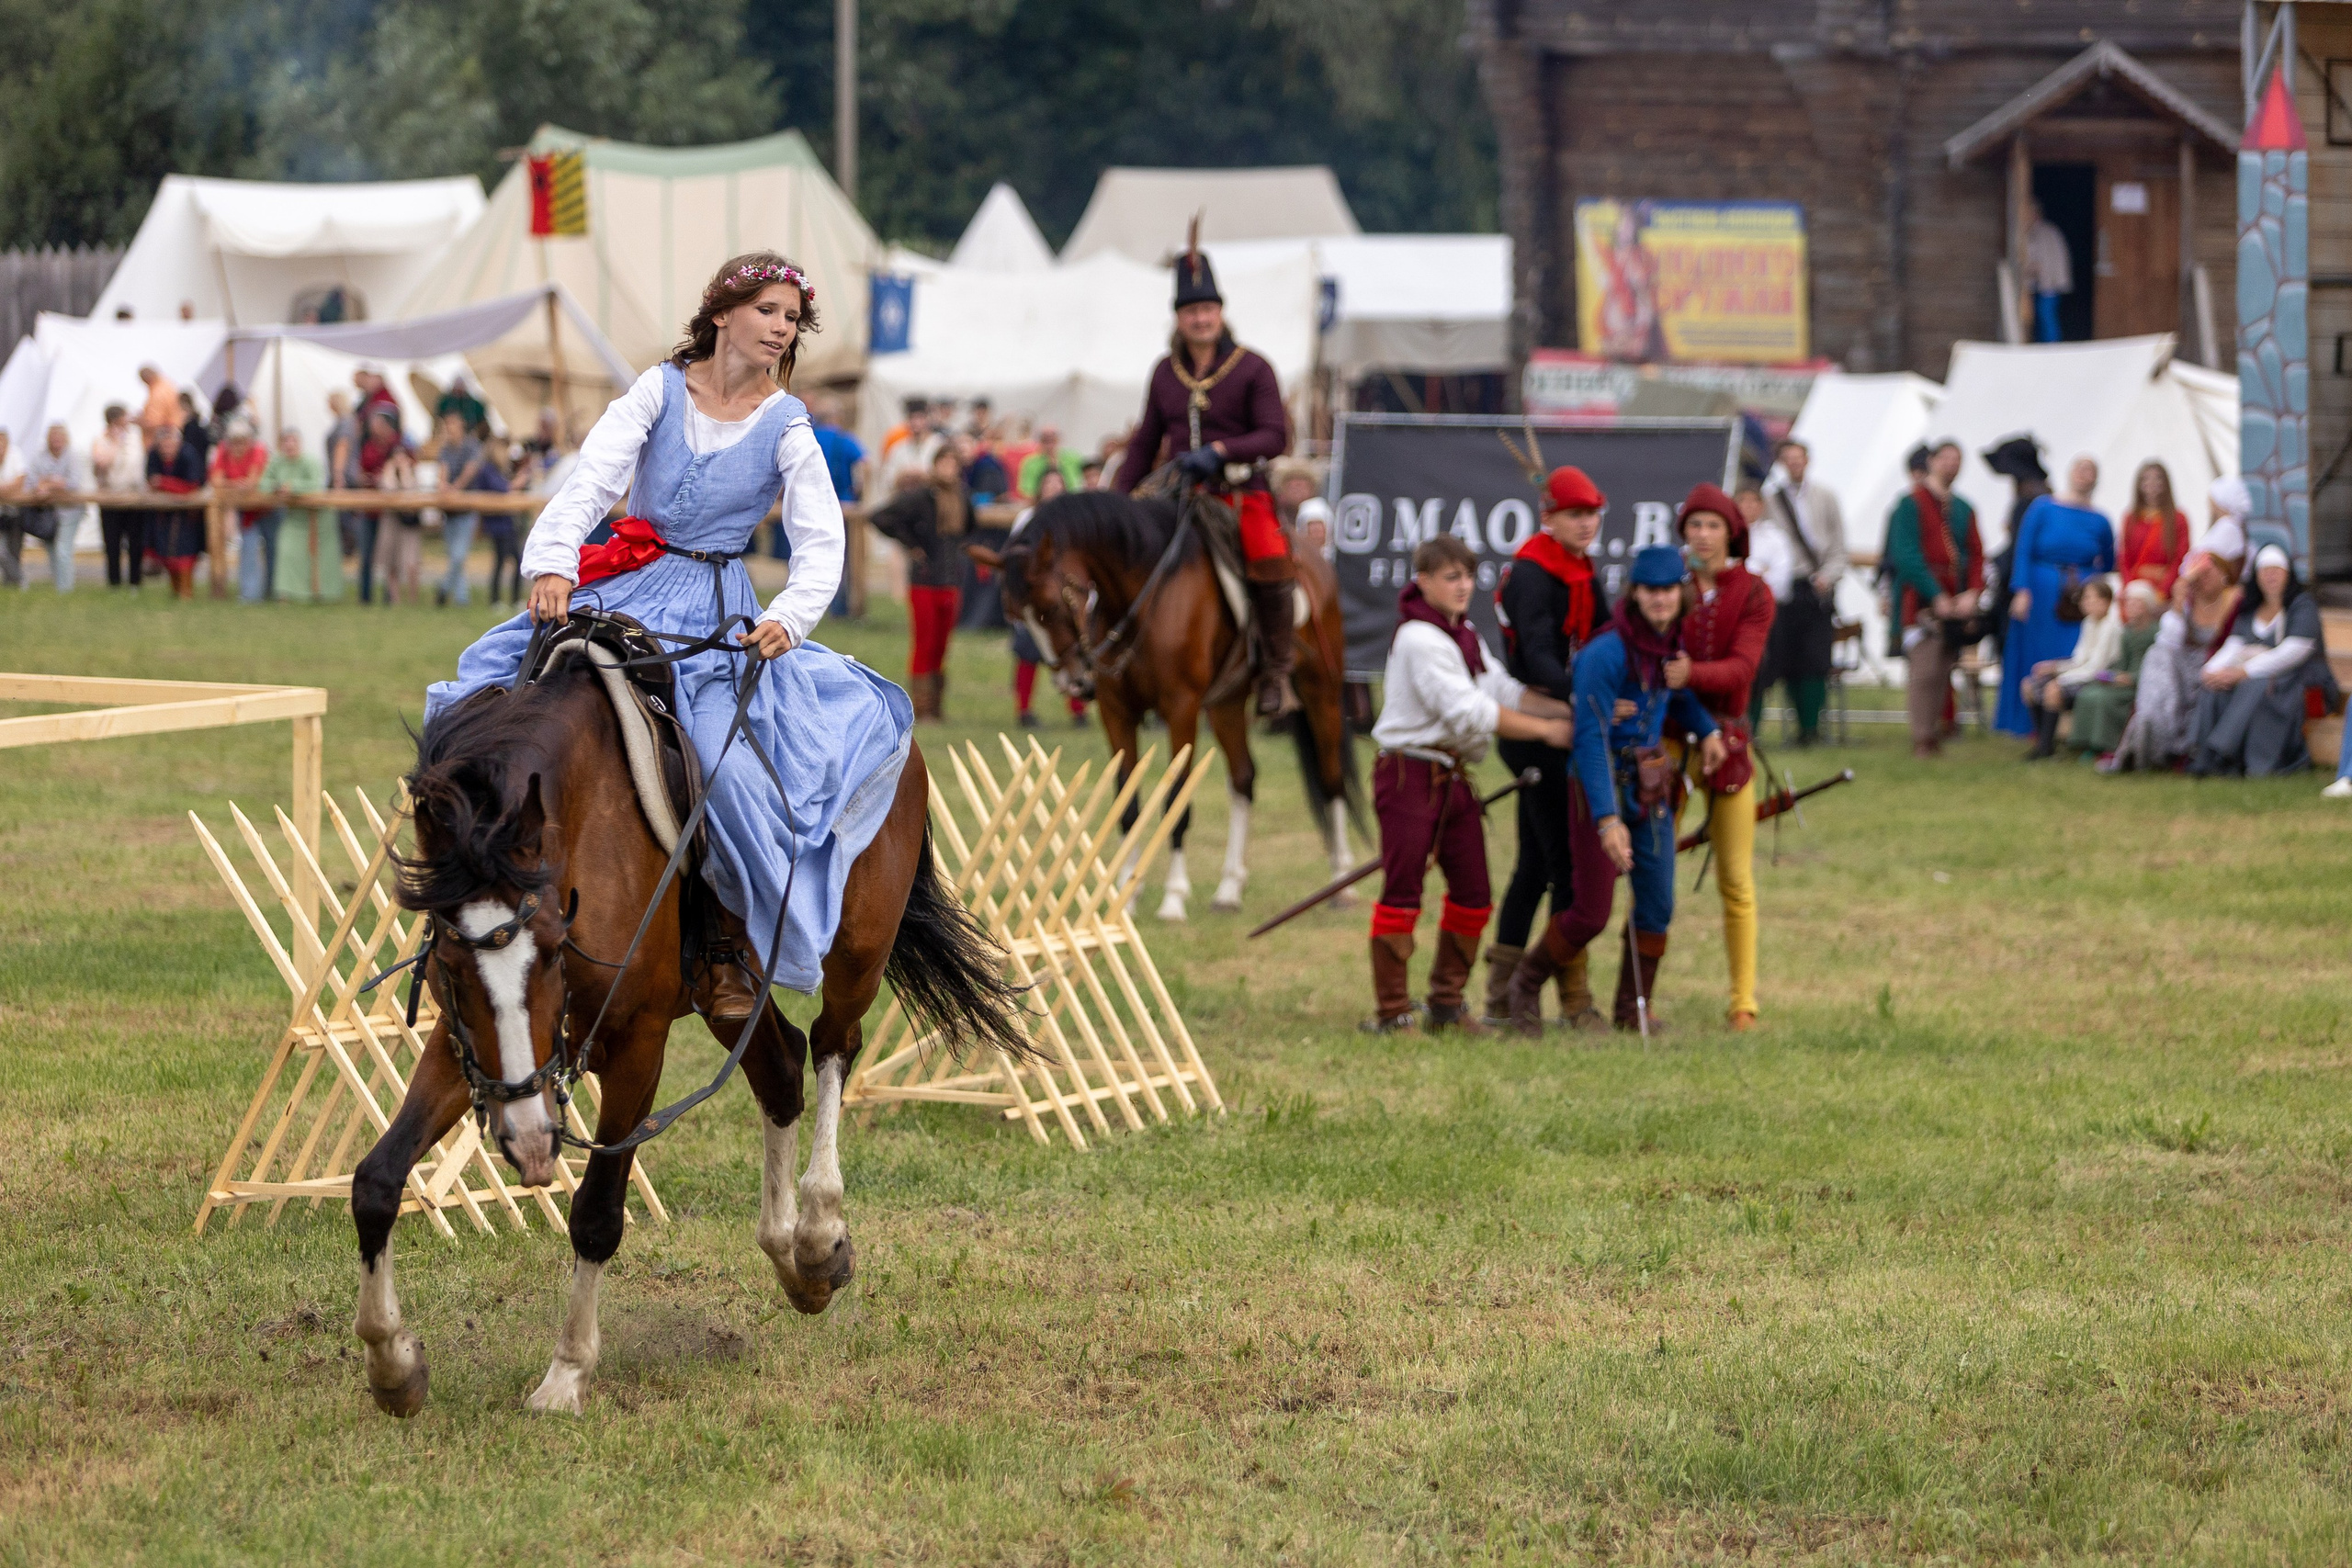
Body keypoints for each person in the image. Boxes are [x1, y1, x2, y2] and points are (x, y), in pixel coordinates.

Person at [426, 250, 908, 1021]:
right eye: (767, 312)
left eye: (792, 319)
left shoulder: (787, 423)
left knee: (722, 767)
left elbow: (822, 539)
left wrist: (788, 615)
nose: (781, 329)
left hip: (716, 619)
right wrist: (553, 560)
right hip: (621, 588)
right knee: (488, 696)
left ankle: (723, 950)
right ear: (723, 314)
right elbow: (591, 478)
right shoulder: (658, 388)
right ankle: (474, 889)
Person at [1501, 546, 1726, 1035]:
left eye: (1669, 589)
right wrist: (1607, 821)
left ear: (1680, 594)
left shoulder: (1670, 643)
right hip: (1598, 786)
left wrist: (1707, 729)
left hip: (1651, 788)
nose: (1661, 599)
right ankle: (1524, 984)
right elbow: (1590, 737)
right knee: (1590, 912)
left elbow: (1677, 695)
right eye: (1651, 590)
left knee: (1657, 904)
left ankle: (1633, 1010)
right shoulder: (1604, 653)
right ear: (1635, 594)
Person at [1363, 535, 1574, 1034]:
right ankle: (1393, 1012)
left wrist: (1567, 712)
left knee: (1475, 893)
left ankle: (1446, 1005)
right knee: (1403, 892)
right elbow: (1469, 710)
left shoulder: (1463, 634)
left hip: (1452, 776)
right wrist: (1548, 731)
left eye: (1467, 575)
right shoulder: (1419, 636)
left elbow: (1499, 688)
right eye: (1450, 577)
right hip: (1408, 772)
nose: (1463, 586)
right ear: (1424, 581)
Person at [1113, 236, 1298, 718]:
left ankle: (1277, 670)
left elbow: (1275, 437)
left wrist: (1220, 451)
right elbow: (1144, 441)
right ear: (1178, 317)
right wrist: (1116, 500)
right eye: (1191, 310)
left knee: (1270, 556)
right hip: (1179, 496)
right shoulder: (1164, 373)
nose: (1201, 318)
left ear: (1221, 312)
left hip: (1241, 494)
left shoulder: (1253, 368)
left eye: (1208, 308)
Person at [1484, 465, 1612, 1032]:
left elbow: (1606, 635)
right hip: (1536, 725)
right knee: (1564, 864)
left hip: (1569, 716)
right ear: (1549, 517)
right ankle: (1565, 1000)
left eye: (1592, 515)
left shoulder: (1580, 567)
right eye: (1575, 515)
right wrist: (1589, 699)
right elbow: (1536, 659)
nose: (1586, 524)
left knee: (1538, 864)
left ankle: (1506, 995)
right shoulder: (1533, 573)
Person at [1671, 484, 1775, 1030]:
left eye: (1713, 525)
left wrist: (1689, 675)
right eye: (1695, 525)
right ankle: (1629, 998)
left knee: (1736, 879)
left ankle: (1743, 1003)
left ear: (1731, 532)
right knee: (1652, 868)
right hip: (1667, 743)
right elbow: (1653, 666)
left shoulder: (1755, 592)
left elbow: (1742, 672)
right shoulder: (1667, 586)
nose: (1703, 535)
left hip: (1729, 745)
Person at [2186, 546, 2338, 777]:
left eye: (2276, 570)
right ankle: (2204, 756)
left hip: (2301, 683)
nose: (2271, 576)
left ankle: (2225, 750)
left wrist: (2245, 671)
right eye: (2265, 571)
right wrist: (2211, 671)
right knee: (2215, 687)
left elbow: (2294, 651)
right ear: (2256, 576)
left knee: (2256, 685)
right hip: (2259, 678)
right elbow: (2234, 644)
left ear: (2288, 574)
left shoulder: (2302, 606)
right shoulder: (2251, 608)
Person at [1997, 455, 2117, 736]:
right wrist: (2021, 590)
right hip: (2041, 591)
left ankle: (2067, 725)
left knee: (2075, 652)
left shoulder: (2100, 519)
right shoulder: (2043, 508)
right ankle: (2027, 722)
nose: (2085, 475)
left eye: (2091, 470)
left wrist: (2097, 594)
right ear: (2070, 472)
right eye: (2080, 468)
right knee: (2034, 653)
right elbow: (2024, 549)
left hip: (2080, 596)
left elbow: (2109, 561)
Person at [1883, 440, 1982, 757]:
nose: (1952, 465)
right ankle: (1922, 736)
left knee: (1943, 667)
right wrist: (1935, 594)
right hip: (1920, 598)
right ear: (1933, 461)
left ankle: (1935, 731)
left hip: (1956, 597)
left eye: (1958, 459)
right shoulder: (1909, 504)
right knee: (1924, 668)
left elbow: (1977, 554)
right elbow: (1906, 554)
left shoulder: (1963, 508)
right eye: (1946, 458)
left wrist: (1972, 592)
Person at [2105, 552, 2244, 773]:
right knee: (2157, 655)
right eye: (2200, 575)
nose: (2203, 579)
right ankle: (2148, 727)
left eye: (2209, 572)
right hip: (2181, 668)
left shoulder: (2235, 599)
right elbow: (2168, 641)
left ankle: (2158, 744)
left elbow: (2238, 643)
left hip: (2217, 665)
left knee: (2162, 667)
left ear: (2223, 573)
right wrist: (2179, 602)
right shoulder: (2190, 601)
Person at [1754, 437, 1849, 746]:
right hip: (1780, 590)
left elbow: (1838, 544)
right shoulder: (1769, 500)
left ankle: (1811, 729)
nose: (1794, 464)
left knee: (1815, 658)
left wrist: (1829, 576)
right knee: (1781, 658)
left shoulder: (1825, 497)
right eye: (1788, 459)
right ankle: (1781, 727)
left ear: (1808, 460)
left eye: (1799, 458)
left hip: (1814, 586)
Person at [867, 444, 970, 720]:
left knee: (942, 644)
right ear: (935, 465)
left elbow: (970, 528)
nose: (949, 468)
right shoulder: (920, 497)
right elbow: (880, 517)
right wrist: (911, 544)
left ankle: (937, 706)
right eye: (944, 462)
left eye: (953, 463)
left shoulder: (961, 497)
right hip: (925, 580)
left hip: (951, 579)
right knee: (924, 642)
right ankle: (921, 708)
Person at [1006, 467, 1087, 730]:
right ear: (1041, 488)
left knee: (1072, 651)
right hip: (1035, 598)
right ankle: (1023, 710)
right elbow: (1014, 557)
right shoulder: (1028, 517)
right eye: (1049, 483)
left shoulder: (1073, 518)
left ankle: (1078, 711)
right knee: (1028, 653)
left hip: (1065, 599)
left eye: (1058, 483)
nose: (1053, 488)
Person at [2019, 577, 2120, 759]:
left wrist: (2061, 679)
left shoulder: (2111, 627)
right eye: (2084, 598)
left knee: (2053, 690)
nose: (2085, 603)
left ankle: (2046, 748)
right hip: (2082, 673)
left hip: (2098, 679)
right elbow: (2079, 659)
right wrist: (2054, 667)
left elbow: (2096, 668)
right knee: (2028, 685)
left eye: (2090, 598)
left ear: (2105, 601)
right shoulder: (2089, 622)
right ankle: (2043, 739)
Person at [2070, 580, 2163, 759]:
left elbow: (2155, 664)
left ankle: (2105, 744)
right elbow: (2121, 661)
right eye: (2128, 602)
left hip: (2144, 683)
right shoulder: (2127, 631)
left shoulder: (2155, 631)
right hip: (2124, 677)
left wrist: (2132, 678)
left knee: (2105, 698)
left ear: (2147, 606)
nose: (2131, 607)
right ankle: (2084, 741)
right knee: (2088, 693)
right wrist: (2111, 675)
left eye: (2137, 603)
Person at [263, 426, 337, 603]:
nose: (290, 445)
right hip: (294, 517)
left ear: (299, 443)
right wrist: (276, 487)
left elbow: (316, 485)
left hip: (318, 516)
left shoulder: (310, 461)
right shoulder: (277, 462)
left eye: (293, 441)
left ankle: (319, 593)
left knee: (317, 555)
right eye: (286, 441)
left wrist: (293, 487)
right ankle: (286, 593)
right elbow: (264, 483)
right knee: (286, 551)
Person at [210, 415, 273, 602]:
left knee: (273, 550)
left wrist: (233, 484)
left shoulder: (258, 450)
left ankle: (272, 591)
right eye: (234, 443)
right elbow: (216, 480)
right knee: (248, 549)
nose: (238, 447)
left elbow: (252, 482)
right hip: (246, 511)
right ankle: (250, 595)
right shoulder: (223, 450)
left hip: (268, 507)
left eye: (242, 442)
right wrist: (237, 484)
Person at [21, 423, 86, 592]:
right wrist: (53, 482)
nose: (56, 441)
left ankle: (65, 590)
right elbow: (30, 481)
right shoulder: (39, 457)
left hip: (70, 511)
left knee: (63, 548)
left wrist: (48, 483)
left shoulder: (73, 456)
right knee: (51, 549)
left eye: (60, 438)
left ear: (65, 439)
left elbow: (74, 482)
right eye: (53, 438)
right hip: (47, 513)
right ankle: (60, 585)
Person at [362, 408, 419, 604]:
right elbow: (388, 489)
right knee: (390, 562)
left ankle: (412, 599)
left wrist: (404, 472)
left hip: (409, 520)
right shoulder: (378, 453)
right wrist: (390, 471)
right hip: (391, 518)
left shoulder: (403, 447)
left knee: (410, 562)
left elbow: (411, 489)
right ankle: (395, 599)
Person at [145, 423, 208, 598]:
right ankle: (175, 591)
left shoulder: (188, 455)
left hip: (188, 515)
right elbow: (150, 481)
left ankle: (186, 593)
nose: (166, 449)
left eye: (170, 445)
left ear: (178, 443)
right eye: (163, 445)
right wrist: (170, 486)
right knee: (166, 551)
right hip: (163, 514)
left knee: (185, 553)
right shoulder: (153, 455)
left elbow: (192, 485)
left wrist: (164, 483)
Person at [432, 410, 487, 606]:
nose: (450, 430)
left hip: (466, 508)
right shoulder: (446, 448)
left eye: (452, 425)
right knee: (457, 558)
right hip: (451, 511)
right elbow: (443, 471)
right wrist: (444, 486)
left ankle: (444, 589)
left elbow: (470, 471)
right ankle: (462, 599)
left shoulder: (472, 446)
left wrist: (455, 489)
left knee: (458, 555)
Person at [91, 404, 146, 590]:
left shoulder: (135, 438)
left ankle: (135, 582)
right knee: (112, 543)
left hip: (134, 498)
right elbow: (102, 465)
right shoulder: (101, 440)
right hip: (111, 499)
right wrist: (115, 442)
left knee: (135, 542)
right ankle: (114, 582)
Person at [2120, 461, 2189, 599]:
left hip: (2165, 591)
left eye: (2157, 478)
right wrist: (2130, 588)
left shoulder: (2178, 518)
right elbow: (2124, 558)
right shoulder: (2130, 518)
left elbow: (2180, 558)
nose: (2151, 483)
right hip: (2136, 590)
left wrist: (2163, 591)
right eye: (2146, 478)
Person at [2022, 198, 2073, 343]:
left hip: (2049, 283)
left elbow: (2040, 263)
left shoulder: (2044, 232)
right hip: (2044, 283)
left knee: (2046, 316)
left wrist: (2026, 271)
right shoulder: (2038, 231)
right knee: (2041, 316)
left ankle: (2051, 349)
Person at [1019, 425, 1083, 500]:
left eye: (1052, 439)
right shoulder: (1031, 463)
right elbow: (1027, 490)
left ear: (1059, 439)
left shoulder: (1073, 458)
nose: (1050, 444)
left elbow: (1082, 483)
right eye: (1045, 440)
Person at [135, 365, 181, 444]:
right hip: (173, 434)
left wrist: (138, 421)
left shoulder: (157, 394)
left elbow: (153, 422)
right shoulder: (168, 385)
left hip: (160, 440)